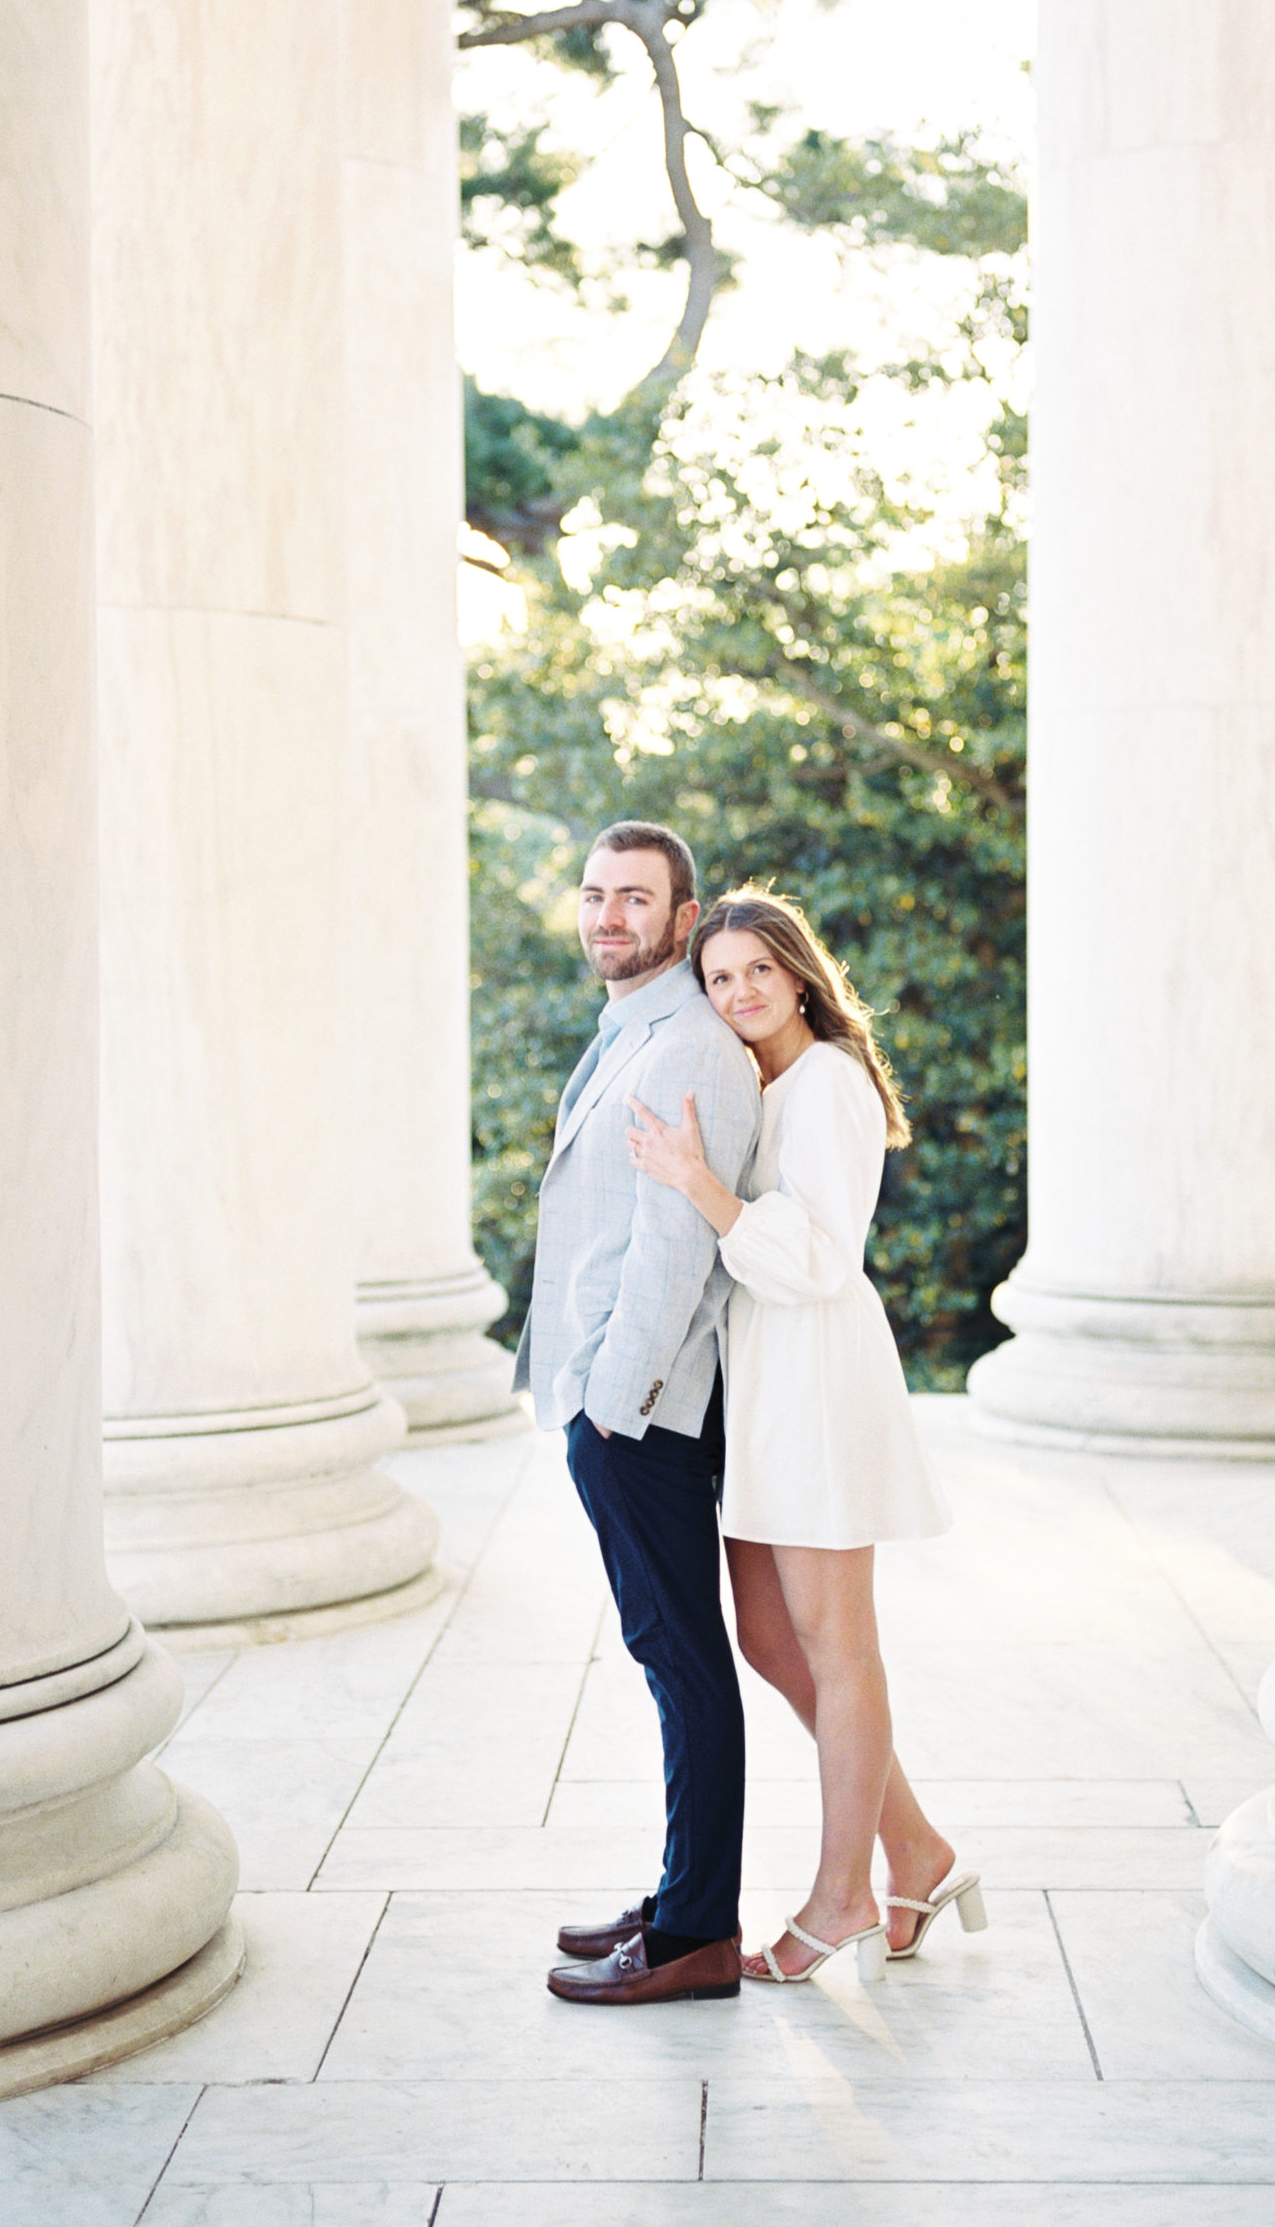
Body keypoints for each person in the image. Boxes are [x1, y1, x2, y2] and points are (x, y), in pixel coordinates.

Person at [625, 886, 986, 1983]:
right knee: (773, 1641)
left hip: (819, 1382)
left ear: (799, 976)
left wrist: (701, 1187)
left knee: (838, 1645)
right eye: (718, 978)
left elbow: (823, 1258)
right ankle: (916, 1845)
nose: (737, 993)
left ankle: (845, 1899)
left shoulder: (827, 1084)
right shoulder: (765, 1081)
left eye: (755, 973)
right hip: (766, 1387)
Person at [520, 822, 763, 2007]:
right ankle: (678, 1900)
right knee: (670, 1656)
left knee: (684, 1662)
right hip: (614, 1406)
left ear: (683, 913)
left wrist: (611, 1409)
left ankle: (696, 1932)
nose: (608, 916)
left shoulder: (695, 1049)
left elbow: (677, 1250)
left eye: (635, 898)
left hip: (645, 1416)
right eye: (595, 894)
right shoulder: (637, 1028)